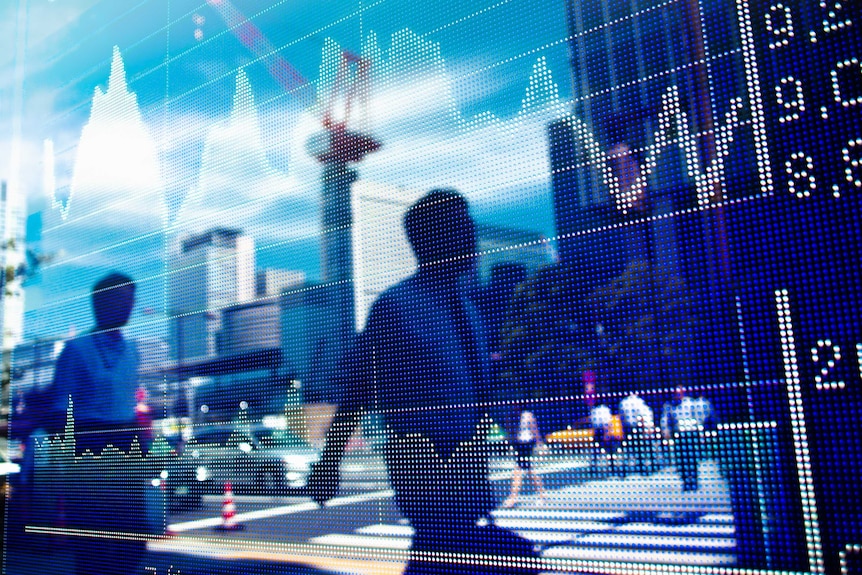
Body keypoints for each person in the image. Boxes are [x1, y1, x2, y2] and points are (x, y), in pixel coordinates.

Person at [307, 190, 539, 574]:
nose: (472, 236)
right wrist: (329, 463)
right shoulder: (396, 307)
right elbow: (360, 388)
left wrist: (511, 429)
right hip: (431, 486)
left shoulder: (469, 307)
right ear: (437, 239)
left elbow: (482, 388)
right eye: (462, 228)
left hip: (468, 486)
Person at [44, 272, 151, 575]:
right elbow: (58, 412)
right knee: (95, 542)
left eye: (132, 299)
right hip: (89, 447)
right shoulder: (76, 351)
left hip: (125, 446)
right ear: (99, 303)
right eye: (121, 298)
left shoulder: (132, 352)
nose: (128, 306)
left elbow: (130, 405)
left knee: (131, 539)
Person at [661, 385, 702, 492]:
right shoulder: (669, 405)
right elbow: (665, 420)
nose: (678, 395)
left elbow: (697, 417)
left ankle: (694, 481)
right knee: (682, 460)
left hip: (690, 434)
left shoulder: (690, 403)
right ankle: (685, 481)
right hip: (679, 435)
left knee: (692, 459)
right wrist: (666, 432)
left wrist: (699, 431)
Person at [503, 410, 546, 508]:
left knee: (518, 470)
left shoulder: (527, 415)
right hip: (519, 444)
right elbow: (510, 430)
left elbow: (534, 429)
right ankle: (541, 494)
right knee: (528, 470)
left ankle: (513, 497)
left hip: (527, 443)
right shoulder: (512, 415)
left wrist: (539, 442)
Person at [619, 392, 655, 475]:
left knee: (631, 449)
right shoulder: (639, 401)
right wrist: (644, 430)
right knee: (643, 449)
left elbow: (622, 418)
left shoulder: (623, 403)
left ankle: (628, 469)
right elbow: (641, 416)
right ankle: (645, 467)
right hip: (638, 428)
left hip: (628, 428)